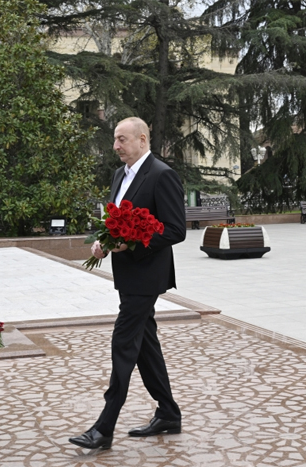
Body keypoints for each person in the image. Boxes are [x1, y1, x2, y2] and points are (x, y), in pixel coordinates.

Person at [68, 117, 186, 450]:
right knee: (145, 346)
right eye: (115, 140)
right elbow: (116, 223)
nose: (116, 146)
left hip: (147, 277)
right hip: (127, 275)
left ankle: (104, 428)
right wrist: (105, 242)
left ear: (142, 140)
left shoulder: (162, 175)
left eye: (122, 139)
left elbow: (175, 230)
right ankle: (168, 413)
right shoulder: (120, 175)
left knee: (123, 344)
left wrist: (132, 242)